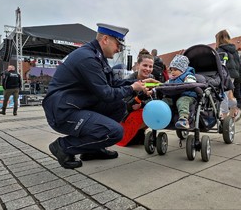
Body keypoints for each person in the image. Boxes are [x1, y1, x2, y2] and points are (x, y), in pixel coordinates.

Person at [42, 23, 156, 169]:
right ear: (105, 39)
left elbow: (113, 82)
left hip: (74, 105)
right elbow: (106, 93)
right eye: (118, 44)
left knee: (118, 106)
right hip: (63, 112)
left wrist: (139, 83)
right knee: (115, 132)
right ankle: (64, 146)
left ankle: (92, 150)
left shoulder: (96, 56)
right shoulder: (87, 58)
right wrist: (133, 88)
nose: (119, 49)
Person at [116, 49, 155, 146]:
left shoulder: (152, 80)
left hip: (142, 110)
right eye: (145, 65)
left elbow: (154, 100)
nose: (148, 69)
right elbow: (123, 103)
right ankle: (136, 135)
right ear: (138, 65)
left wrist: (142, 103)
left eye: (150, 66)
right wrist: (135, 102)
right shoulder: (129, 80)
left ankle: (139, 134)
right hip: (126, 113)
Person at [165, 55, 197, 129]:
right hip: (175, 97)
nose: (172, 72)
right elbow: (165, 84)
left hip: (187, 96)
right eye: (171, 70)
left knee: (182, 101)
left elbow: (191, 83)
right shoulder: (171, 79)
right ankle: (162, 116)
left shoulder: (188, 76)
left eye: (175, 70)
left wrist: (188, 83)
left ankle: (184, 119)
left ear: (182, 69)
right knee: (165, 101)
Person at [215, 29, 240, 119]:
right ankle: (233, 110)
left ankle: (225, 115)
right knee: (229, 94)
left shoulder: (220, 50)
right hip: (232, 75)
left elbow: (218, 63)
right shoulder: (233, 49)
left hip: (224, 75)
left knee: (223, 94)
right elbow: (239, 63)